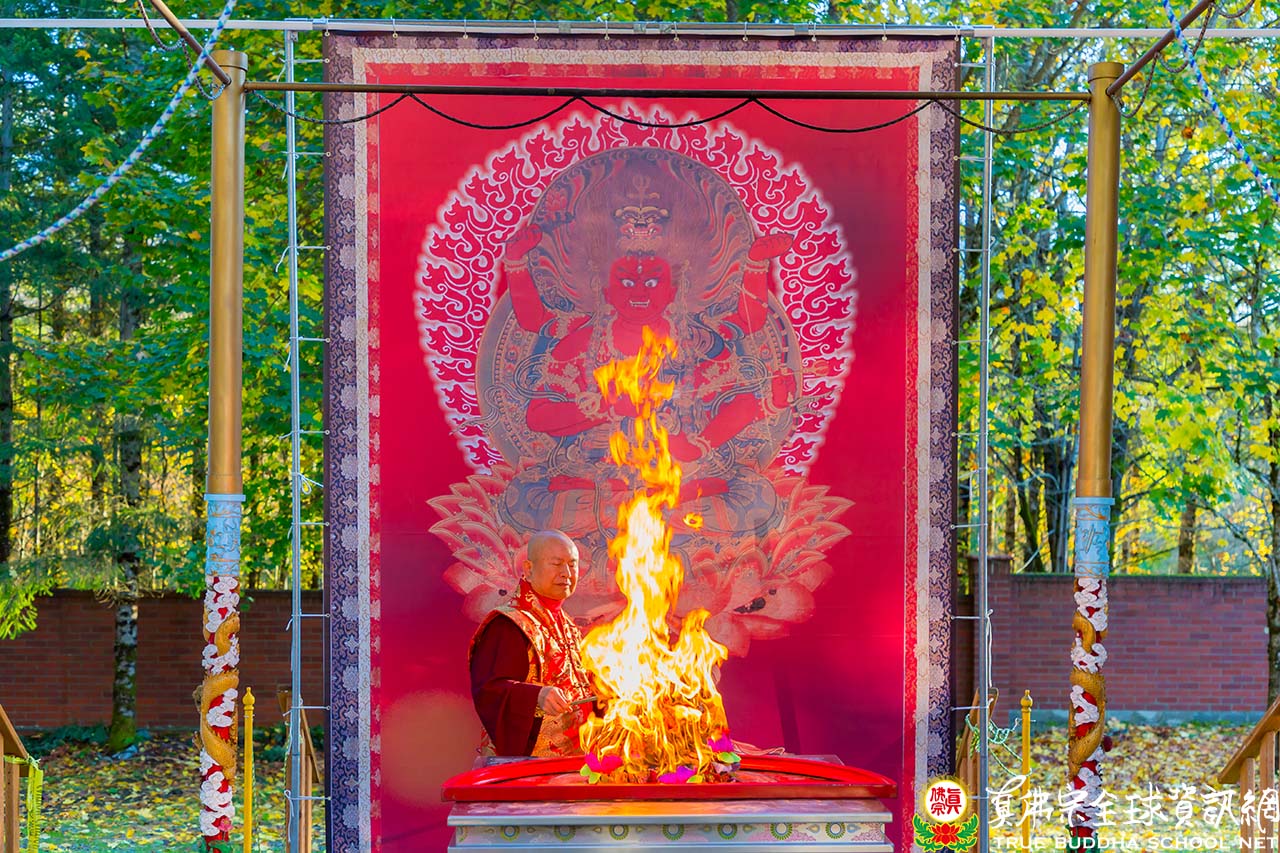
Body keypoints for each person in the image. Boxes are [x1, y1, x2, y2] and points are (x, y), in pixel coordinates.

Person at [468, 529, 595, 757]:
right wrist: (536, 696)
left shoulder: (569, 626)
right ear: (528, 569)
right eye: (556, 564)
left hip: (577, 760)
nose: (566, 573)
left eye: (572, 564)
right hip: (530, 765)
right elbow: (488, 692)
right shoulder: (509, 624)